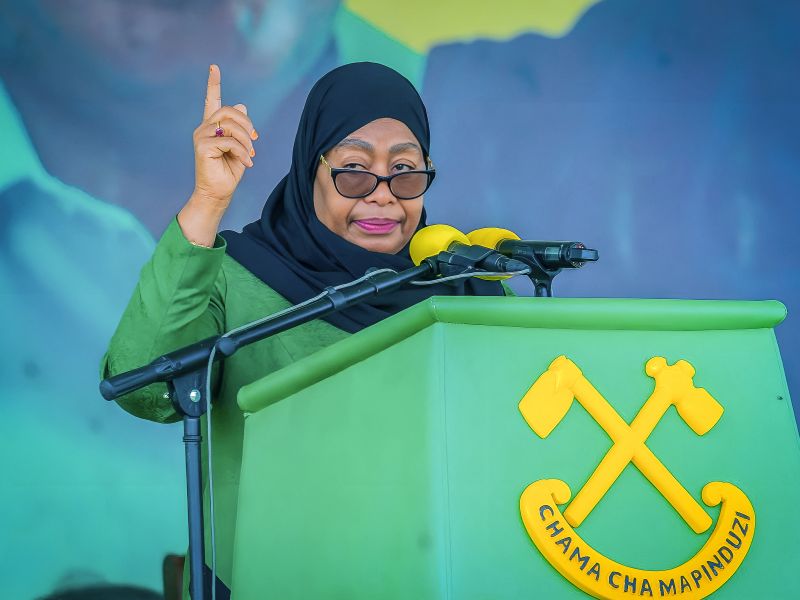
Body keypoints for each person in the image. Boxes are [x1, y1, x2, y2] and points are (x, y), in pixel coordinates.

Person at [100, 61, 506, 598]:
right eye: (355, 170)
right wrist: (208, 201)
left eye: (405, 170)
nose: (383, 194)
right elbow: (142, 384)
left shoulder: (463, 291)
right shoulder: (238, 278)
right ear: (308, 170)